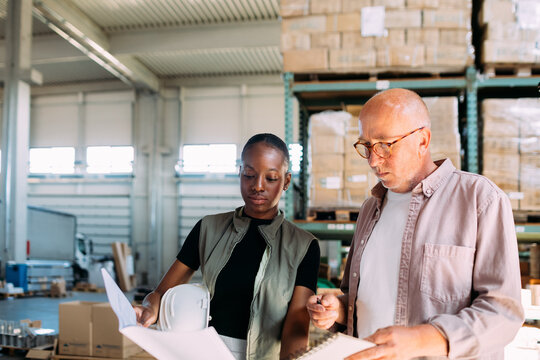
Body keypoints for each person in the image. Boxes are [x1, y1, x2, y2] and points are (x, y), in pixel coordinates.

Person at [307, 89, 523, 359]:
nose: (373, 160)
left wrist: (424, 339)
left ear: (422, 140)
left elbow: (503, 312)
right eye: (366, 146)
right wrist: (337, 309)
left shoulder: (480, 200)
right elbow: (360, 296)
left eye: (385, 144)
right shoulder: (369, 209)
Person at [135, 133, 320, 360]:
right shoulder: (208, 228)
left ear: (287, 181)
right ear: (240, 173)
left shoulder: (303, 246)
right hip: (204, 352)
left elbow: (297, 325)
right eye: (249, 175)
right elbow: (162, 293)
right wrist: (148, 309)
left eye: (271, 178)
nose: (258, 186)